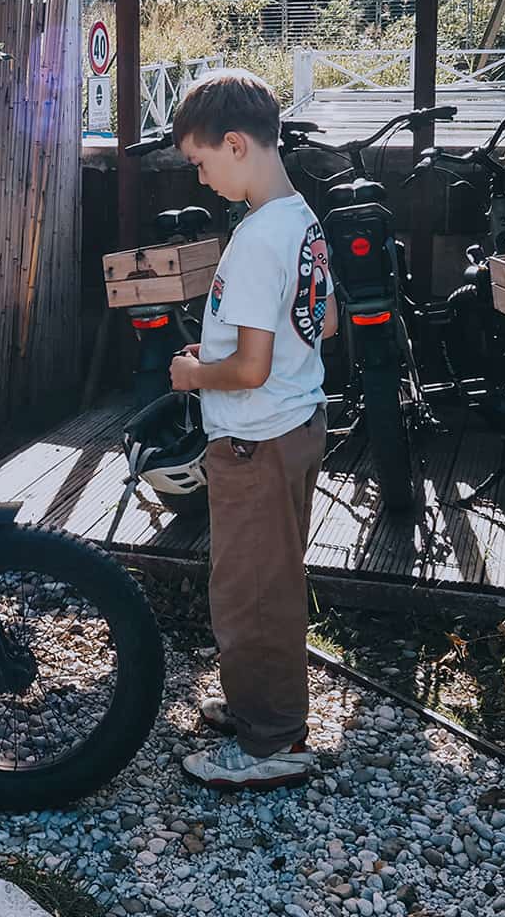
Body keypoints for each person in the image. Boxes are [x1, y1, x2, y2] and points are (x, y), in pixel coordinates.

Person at [166, 69, 334, 791]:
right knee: (273, 580)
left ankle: (271, 744)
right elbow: (322, 321)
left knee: (249, 594)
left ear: (235, 143)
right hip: (297, 423)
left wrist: (195, 372)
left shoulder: (257, 238)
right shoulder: (303, 217)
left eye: (201, 162)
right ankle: (259, 707)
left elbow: (254, 369)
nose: (201, 179)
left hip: (254, 437)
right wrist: (234, 352)